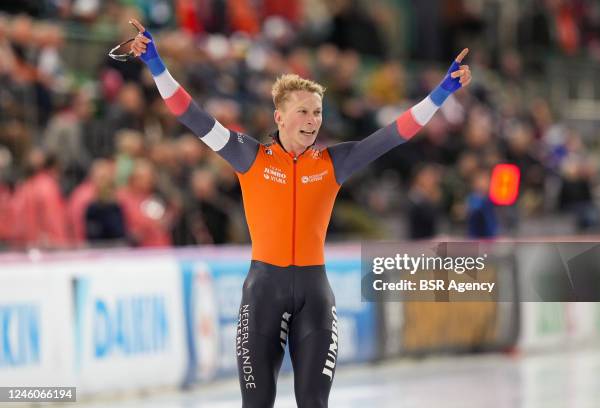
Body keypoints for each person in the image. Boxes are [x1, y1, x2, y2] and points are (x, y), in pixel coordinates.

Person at [128, 18, 471, 408]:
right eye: (303, 112)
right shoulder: (249, 156)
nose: (312, 121)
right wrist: (155, 63)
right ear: (279, 117)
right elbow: (191, 115)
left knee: (313, 403)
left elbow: (395, 133)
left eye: (318, 112)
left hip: (315, 297)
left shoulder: (334, 162)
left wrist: (443, 92)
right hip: (262, 294)